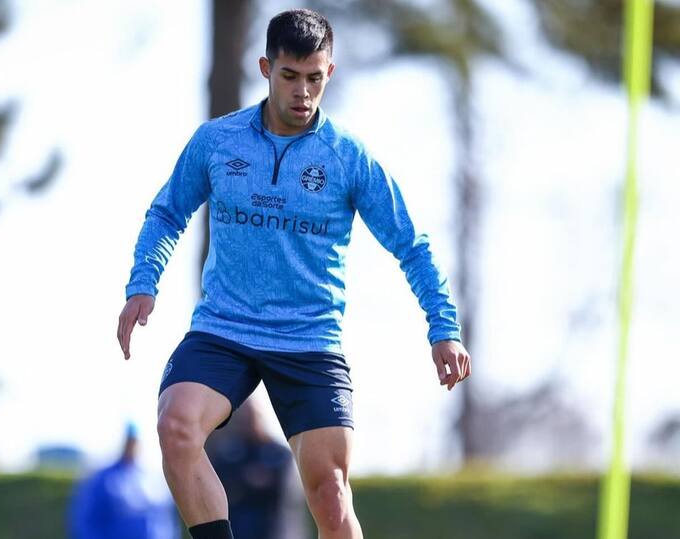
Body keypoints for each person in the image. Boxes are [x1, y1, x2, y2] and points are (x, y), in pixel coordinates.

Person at [117, 9, 471, 539]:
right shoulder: (217, 142)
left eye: (314, 78)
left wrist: (442, 327)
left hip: (309, 339)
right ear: (266, 68)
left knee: (329, 491)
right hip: (225, 328)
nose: (302, 92)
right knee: (175, 424)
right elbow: (167, 213)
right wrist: (143, 282)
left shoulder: (348, 158)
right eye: (289, 76)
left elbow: (411, 246)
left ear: (329, 73)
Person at [206, 398, 307, 539]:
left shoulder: (280, 453)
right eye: (243, 419)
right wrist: (251, 480)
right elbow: (220, 485)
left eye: (251, 416)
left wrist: (249, 483)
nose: (247, 423)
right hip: (239, 531)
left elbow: (287, 490)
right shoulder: (229, 453)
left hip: (276, 530)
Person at [68, 423, 178, 539]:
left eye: (135, 441)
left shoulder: (153, 479)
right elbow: (86, 522)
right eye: (129, 441)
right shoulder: (103, 479)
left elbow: (166, 519)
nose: (132, 445)